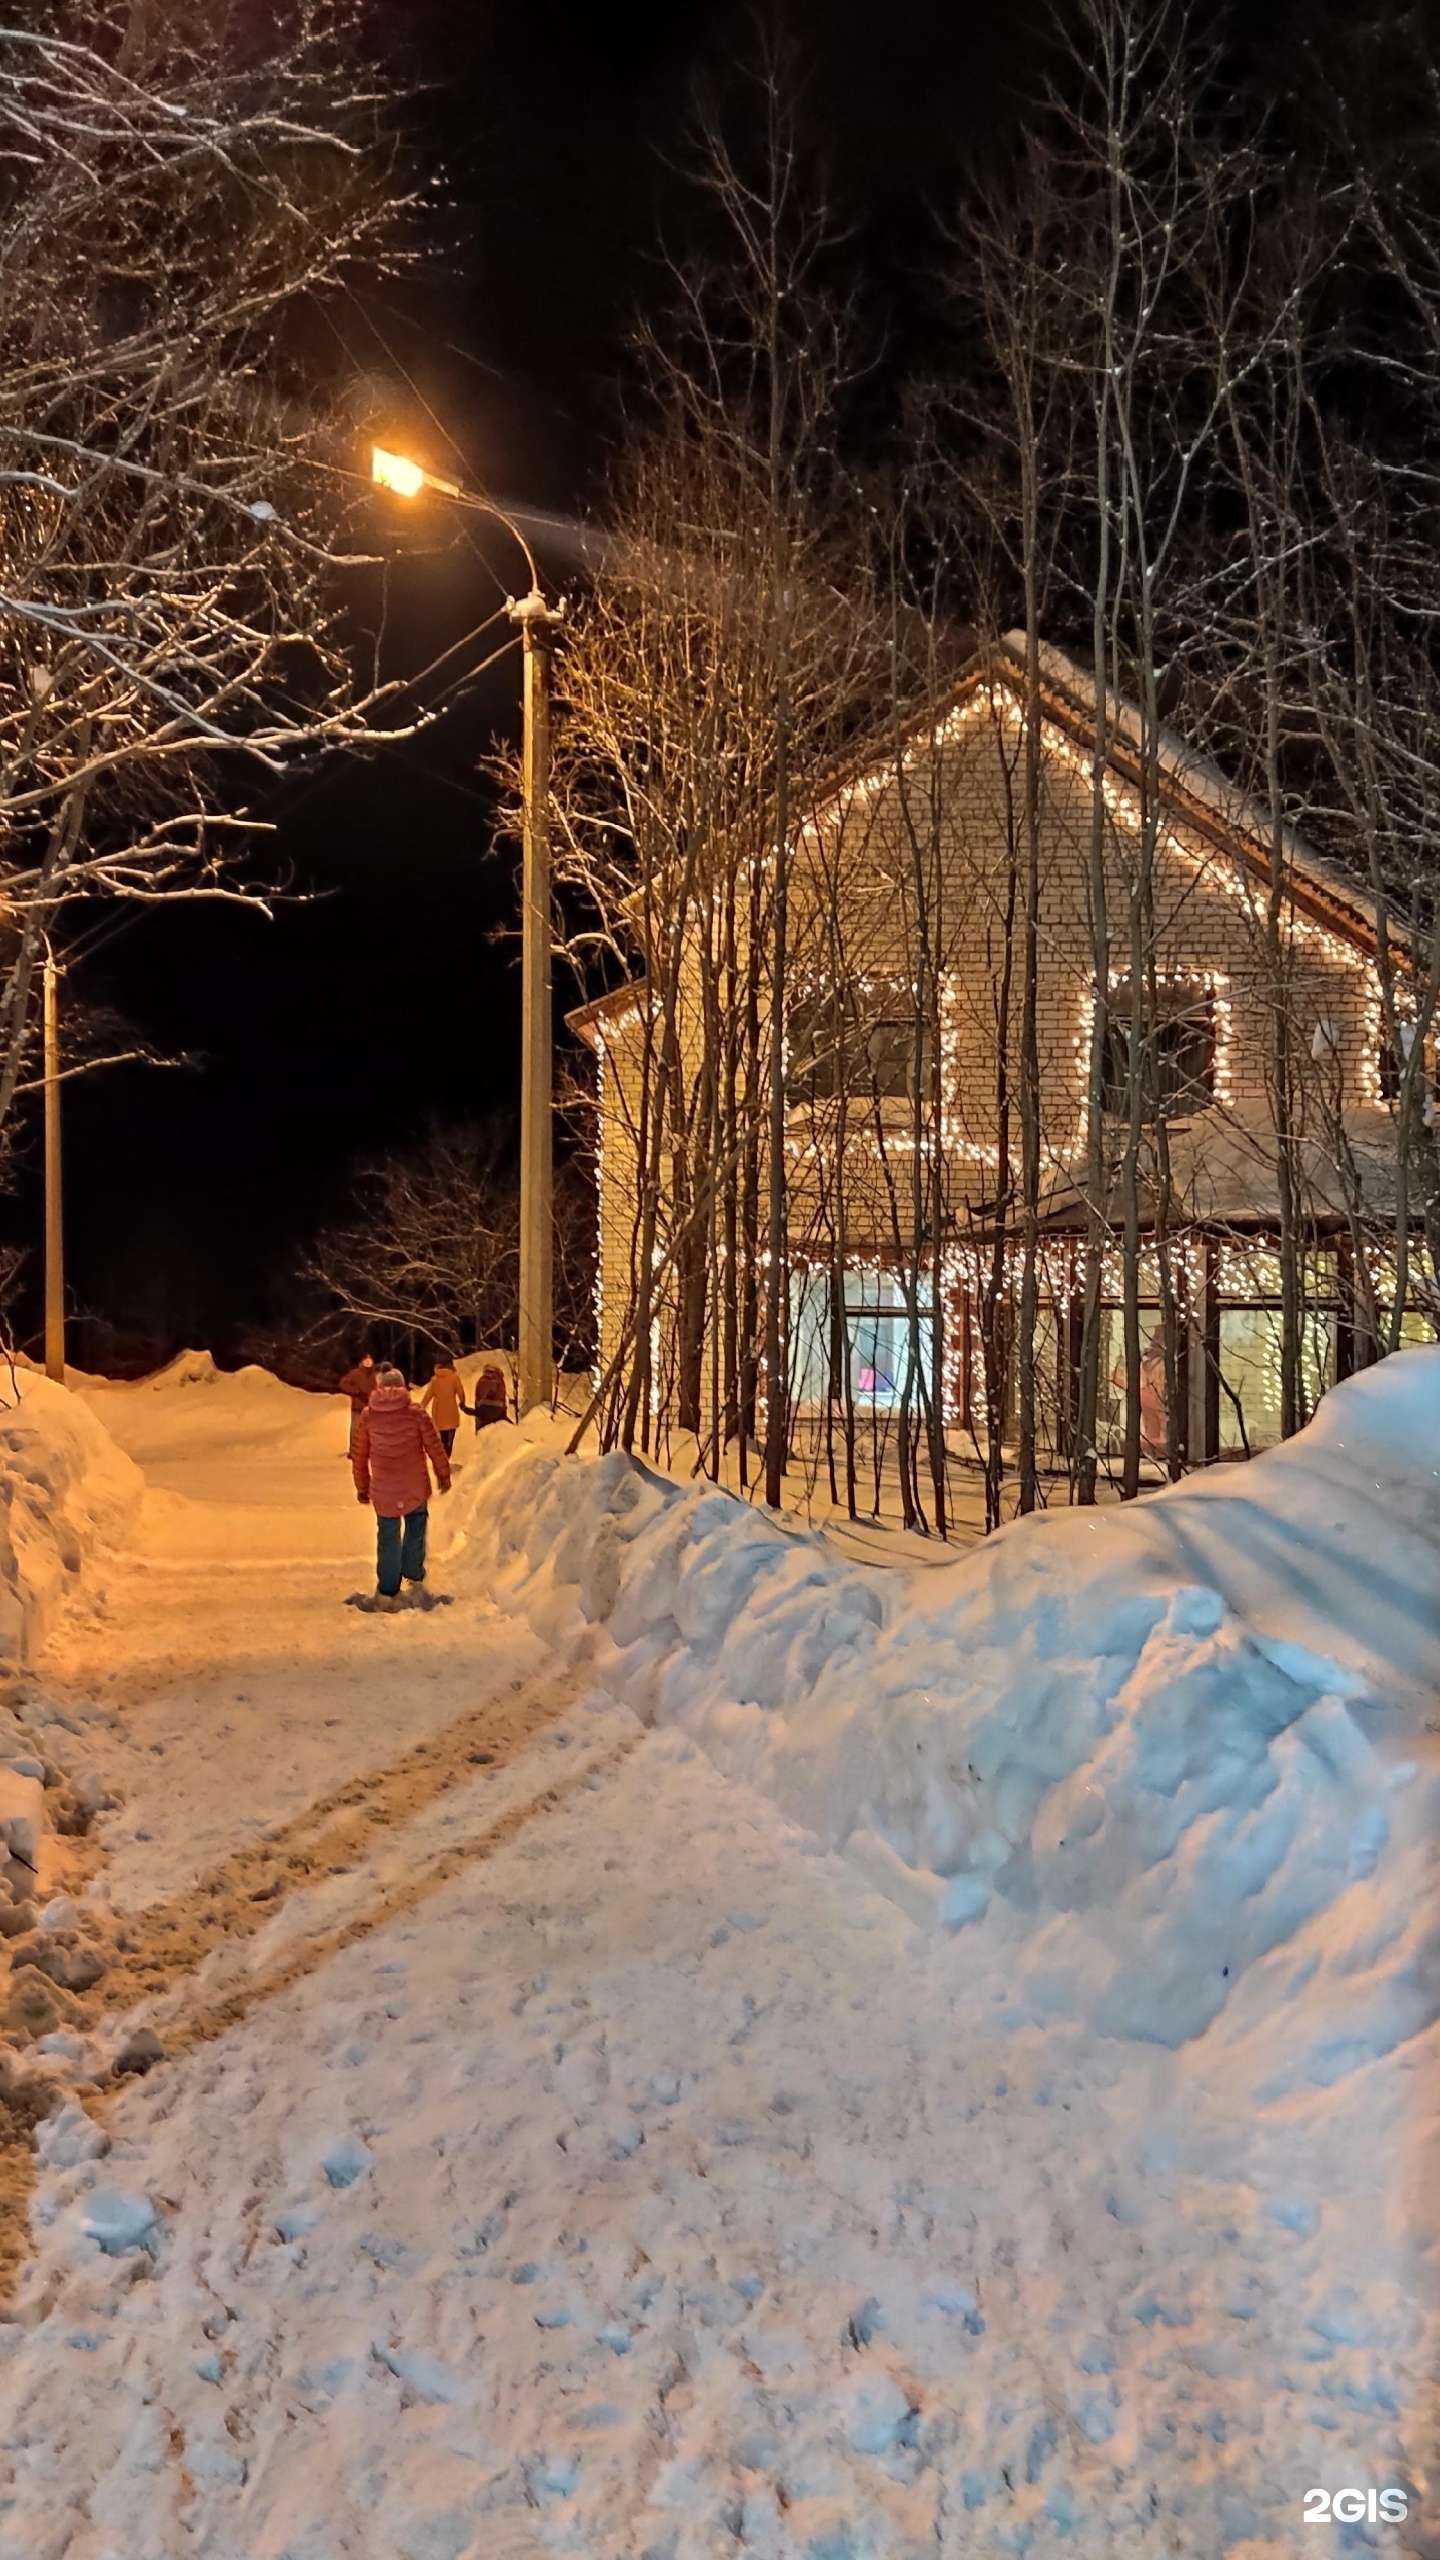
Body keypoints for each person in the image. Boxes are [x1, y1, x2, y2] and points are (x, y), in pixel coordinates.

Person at [351, 1363, 451, 1612]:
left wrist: (362, 1486)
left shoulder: (368, 1416)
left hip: (384, 1489)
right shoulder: (416, 1414)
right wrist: (443, 1474)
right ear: (404, 1386)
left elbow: (359, 1455)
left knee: (388, 1536)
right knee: (415, 1529)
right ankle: (414, 1575)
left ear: (379, 1387)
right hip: (414, 1486)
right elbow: (434, 1446)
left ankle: (387, 1589)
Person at [421, 1352, 465, 1459]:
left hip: (438, 1413)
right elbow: (461, 1392)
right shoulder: (454, 1378)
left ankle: (445, 1455)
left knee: (442, 1436)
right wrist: (462, 1402)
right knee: (451, 1434)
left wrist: (421, 1407)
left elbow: (428, 1396)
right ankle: (448, 1453)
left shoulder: (434, 1380)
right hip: (452, 1411)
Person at [337, 1349, 378, 1459]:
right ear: (362, 1361)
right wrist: (355, 1391)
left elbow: (378, 1387)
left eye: (370, 1360)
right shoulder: (355, 1373)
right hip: (357, 1407)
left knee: (370, 1431)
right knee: (355, 1430)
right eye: (366, 1360)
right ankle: (354, 1452)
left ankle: (369, 1451)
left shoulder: (375, 1375)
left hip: (371, 1407)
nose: (368, 1362)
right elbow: (343, 1384)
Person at [470, 1357, 509, 1432]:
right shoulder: (499, 1380)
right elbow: (502, 1397)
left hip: (483, 1412)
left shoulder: (481, 1380)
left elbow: (478, 1398)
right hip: (498, 1412)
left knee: (484, 1434)